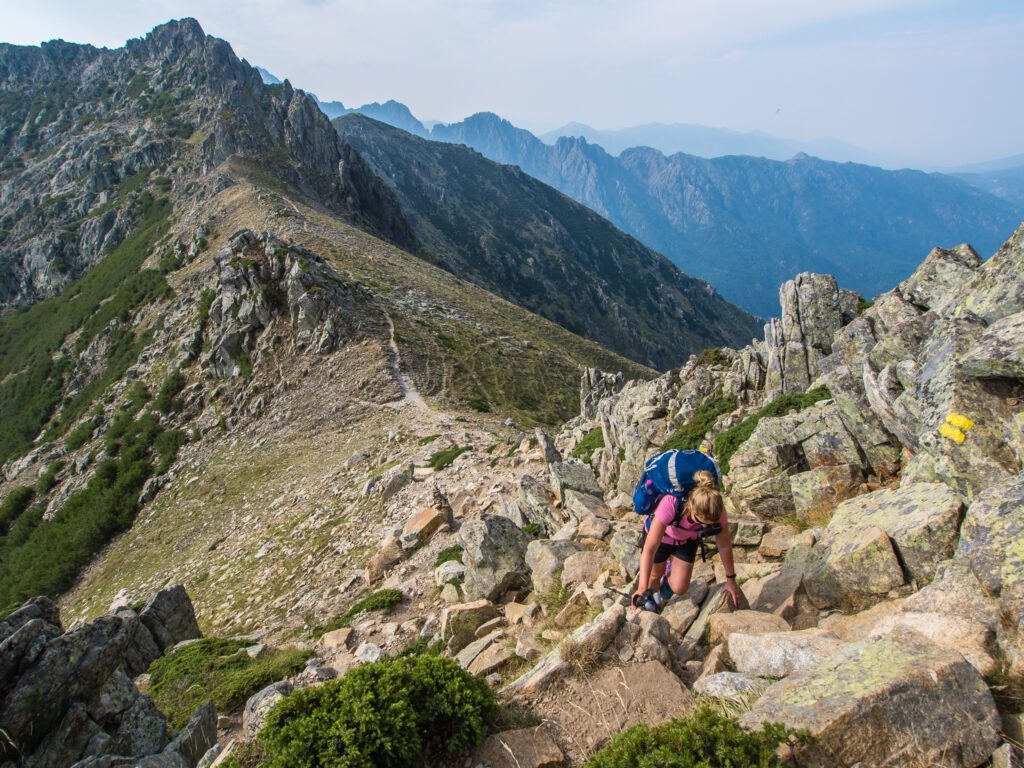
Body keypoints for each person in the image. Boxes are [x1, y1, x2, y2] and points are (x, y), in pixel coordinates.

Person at [631, 469, 741, 610]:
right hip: (663, 538)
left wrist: (731, 581)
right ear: (690, 507)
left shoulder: (717, 510)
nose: (704, 526)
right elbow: (649, 549)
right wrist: (641, 588)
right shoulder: (670, 504)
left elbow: (724, 546)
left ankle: (665, 586)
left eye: (708, 525)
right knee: (654, 576)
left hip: (686, 540)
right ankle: (653, 606)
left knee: (680, 587)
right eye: (700, 521)